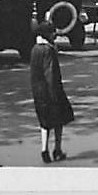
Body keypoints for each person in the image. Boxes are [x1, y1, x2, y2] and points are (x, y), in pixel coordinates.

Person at [29, 20, 74, 164]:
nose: (54, 34)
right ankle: (57, 149)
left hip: (38, 91)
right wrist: (56, 93)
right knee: (59, 120)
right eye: (52, 32)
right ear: (46, 34)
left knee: (45, 122)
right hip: (52, 91)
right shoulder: (48, 50)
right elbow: (51, 74)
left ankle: (44, 150)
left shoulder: (35, 49)